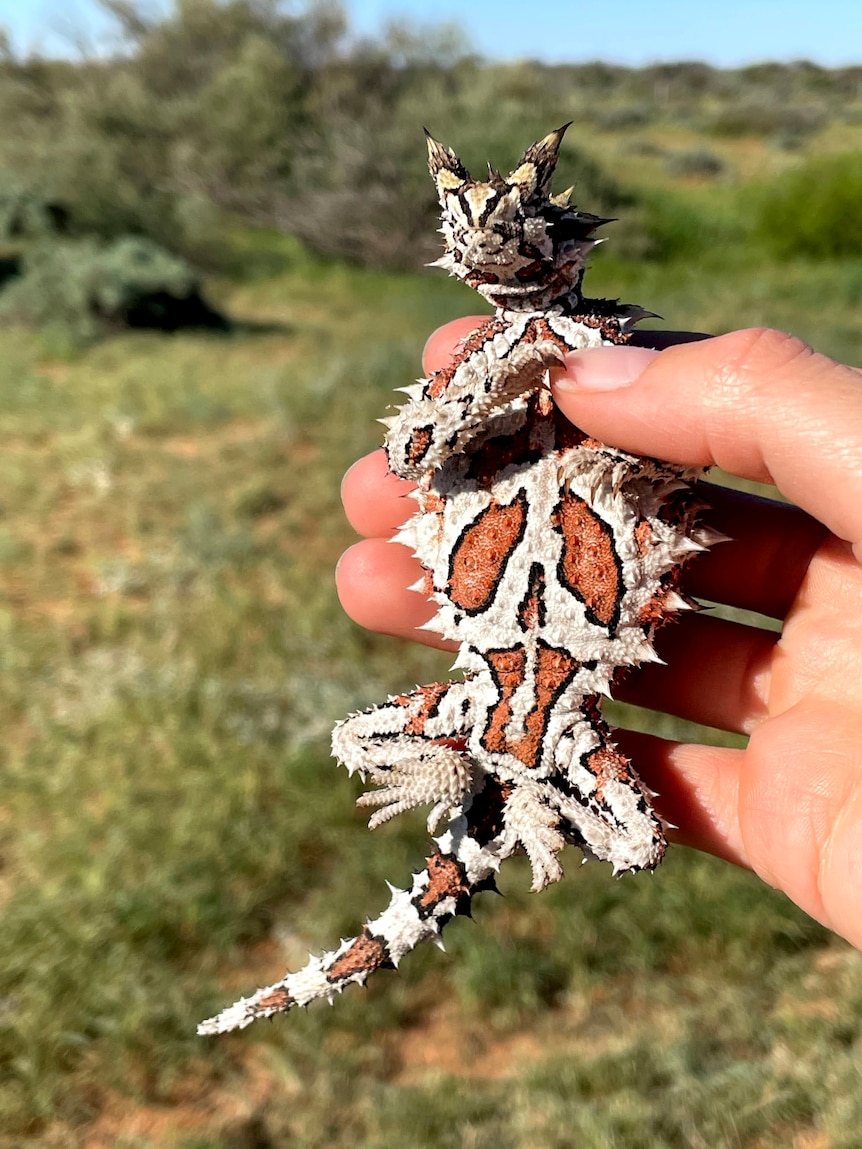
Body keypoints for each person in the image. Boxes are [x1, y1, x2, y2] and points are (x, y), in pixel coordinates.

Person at [336, 319, 862, 952]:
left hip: (517, 698)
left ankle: (520, 791)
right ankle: (516, 790)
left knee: (637, 842)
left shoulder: (603, 350)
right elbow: (406, 454)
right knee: (353, 740)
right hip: (505, 696)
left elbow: (408, 453)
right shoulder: (538, 356)